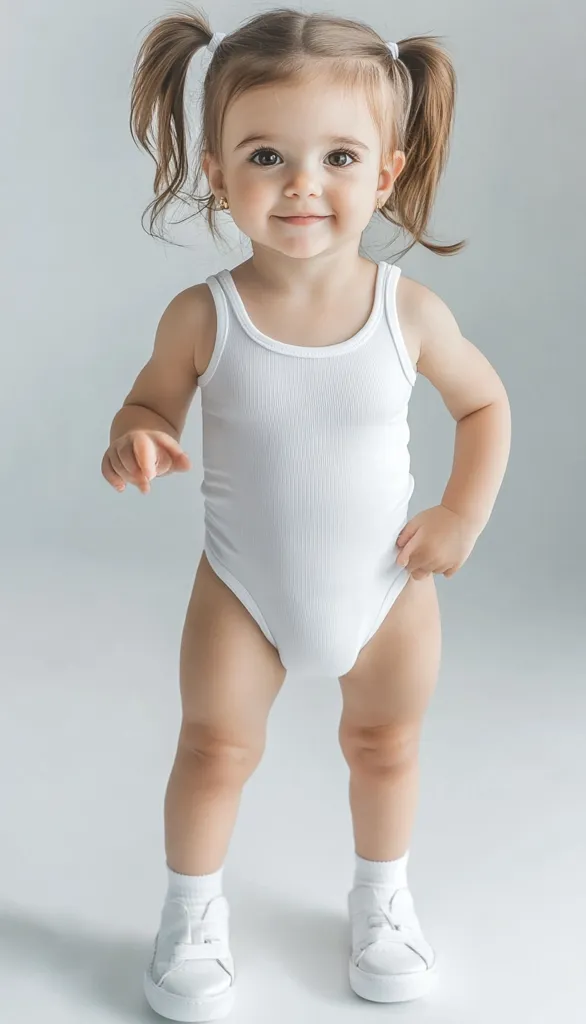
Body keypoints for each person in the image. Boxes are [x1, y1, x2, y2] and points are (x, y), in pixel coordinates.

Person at [101, 6, 511, 1020]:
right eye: (266, 154)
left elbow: (484, 403)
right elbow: (151, 397)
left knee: (385, 746)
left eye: (336, 156)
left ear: (382, 173)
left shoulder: (407, 312)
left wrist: (460, 513)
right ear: (215, 169)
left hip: (387, 587)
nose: (301, 184)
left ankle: (382, 901)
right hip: (241, 588)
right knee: (212, 748)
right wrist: (138, 432)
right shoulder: (205, 313)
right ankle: (190, 914)